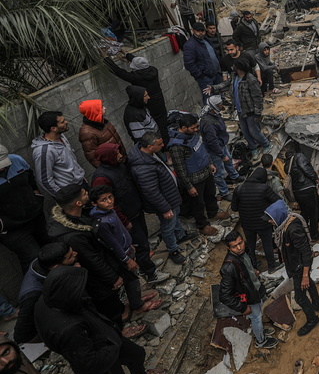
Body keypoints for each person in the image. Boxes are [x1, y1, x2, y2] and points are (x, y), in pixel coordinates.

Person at [35, 266, 166, 374]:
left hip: (105, 336)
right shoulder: (69, 329)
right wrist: (113, 347)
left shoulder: (53, 298)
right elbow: (88, 363)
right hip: (99, 358)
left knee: (136, 354)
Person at [48, 185, 137, 334]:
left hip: (102, 267)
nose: (87, 193)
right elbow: (93, 259)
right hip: (97, 279)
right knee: (108, 303)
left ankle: (122, 311)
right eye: (84, 193)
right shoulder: (74, 236)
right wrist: (112, 277)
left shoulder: (78, 217)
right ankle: (119, 331)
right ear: (78, 203)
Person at [91, 143, 167, 284]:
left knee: (144, 241)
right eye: (116, 153)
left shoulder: (118, 166)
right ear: (108, 157)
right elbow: (108, 205)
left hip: (135, 211)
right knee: (140, 245)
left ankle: (146, 266)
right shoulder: (101, 178)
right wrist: (124, 221)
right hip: (126, 218)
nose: (120, 155)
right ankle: (151, 275)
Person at [88, 186, 162, 315]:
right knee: (132, 280)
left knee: (133, 278)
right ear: (94, 204)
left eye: (110, 197)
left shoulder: (110, 211)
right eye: (103, 200)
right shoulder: (101, 222)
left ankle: (136, 299)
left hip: (127, 248)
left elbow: (121, 231)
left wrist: (130, 244)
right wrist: (127, 260)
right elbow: (113, 245)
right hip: (122, 256)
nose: (109, 201)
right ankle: (137, 305)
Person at [128, 132, 196, 265]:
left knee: (175, 219)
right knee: (168, 227)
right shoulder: (143, 167)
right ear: (149, 146)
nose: (163, 145)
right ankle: (173, 250)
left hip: (170, 197)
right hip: (166, 202)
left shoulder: (150, 154)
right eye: (159, 144)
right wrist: (165, 208)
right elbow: (151, 191)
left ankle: (180, 236)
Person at [265, 200, 319, 336]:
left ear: (278, 217)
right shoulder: (286, 224)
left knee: (300, 297)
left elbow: (305, 252)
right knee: (309, 283)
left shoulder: (293, 230)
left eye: (271, 219)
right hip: (298, 264)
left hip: (299, 267)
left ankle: (312, 319)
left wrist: (304, 275)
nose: (269, 222)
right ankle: (317, 305)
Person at [218, 231, 279, 349]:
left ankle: (259, 330)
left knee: (258, 315)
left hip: (255, 290)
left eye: (240, 243)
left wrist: (254, 270)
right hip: (249, 297)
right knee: (255, 317)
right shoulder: (229, 267)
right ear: (228, 248)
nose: (239, 247)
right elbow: (224, 295)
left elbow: (249, 264)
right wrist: (242, 307)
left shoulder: (244, 251)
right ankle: (260, 341)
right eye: (234, 246)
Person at [168, 113, 225, 236]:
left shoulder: (194, 135)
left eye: (196, 127)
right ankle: (202, 225)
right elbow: (180, 169)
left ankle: (213, 213)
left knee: (210, 194)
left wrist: (210, 163)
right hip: (194, 179)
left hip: (206, 172)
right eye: (193, 128)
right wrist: (189, 186)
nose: (196, 129)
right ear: (183, 128)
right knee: (198, 204)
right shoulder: (176, 146)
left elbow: (202, 150)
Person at [207, 57, 271, 161]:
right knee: (245, 132)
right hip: (241, 111)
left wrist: (257, 113)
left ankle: (266, 144)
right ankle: (253, 148)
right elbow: (225, 84)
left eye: (234, 66)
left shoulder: (250, 79)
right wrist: (213, 88)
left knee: (254, 131)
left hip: (251, 111)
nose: (232, 67)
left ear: (239, 67)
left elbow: (258, 97)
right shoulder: (234, 77)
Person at [14, 242, 79, 344]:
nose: (75, 254)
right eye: (70, 256)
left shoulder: (43, 264)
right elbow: (21, 335)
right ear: (56, 267)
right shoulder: (32, 295)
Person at [0, 144, 48, 271]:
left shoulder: (16, 160)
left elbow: (31, 179)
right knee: (33, 258)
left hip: (35, 216)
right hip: (12, 229)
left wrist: (37, 198)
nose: (2, 168)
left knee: (51, 248)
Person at [103, 53, 169, 143]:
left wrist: (106, 58)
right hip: (159, 103)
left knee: (153, 130)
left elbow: (118, 71)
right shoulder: (154, 70)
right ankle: (166, 147)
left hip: (149, 106)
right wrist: (127, 55)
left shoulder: (135, 77)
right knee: (163, 126)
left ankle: (159, 146)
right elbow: (141, 63)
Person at [231, 167, 281, 271]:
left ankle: (253, 267)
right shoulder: (264, 188)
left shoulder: (239, 189)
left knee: (250, 246)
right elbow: (278, 201)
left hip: (247, 224)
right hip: (263, 223)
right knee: (267, 244)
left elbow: (234, 208)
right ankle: (272, 266)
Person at [30, 111, 86, 200]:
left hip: (81, 184)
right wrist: (64, 197)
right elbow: (44, 180)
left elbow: (70, 161)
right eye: (62, 122)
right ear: (53, 128)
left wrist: (81, 177)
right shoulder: (44, 151)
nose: (66, 122)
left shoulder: (61, 137)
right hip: (69, 194)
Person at [200, 95, 242, 201]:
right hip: (215, 150)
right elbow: (212, 142)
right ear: (214, 107)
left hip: (221, 145)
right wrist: (221, 155)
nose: (221, 106)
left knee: (229, 161)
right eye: (219, 105)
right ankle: (224, 192)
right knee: (218, 172)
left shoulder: (215, 115)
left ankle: (234, 176)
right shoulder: (208, 123)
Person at [284, 147, 319, 240]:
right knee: (314, 212)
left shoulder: (286, 165)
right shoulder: (298, 156)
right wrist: (315, 178)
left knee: (304, 212)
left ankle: (304, 231)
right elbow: (306, 168)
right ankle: (314, 234)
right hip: (308, 189)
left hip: (298, 192)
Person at [77, 100, 126, 168]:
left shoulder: (103, 121)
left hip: (122, 159)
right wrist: (109, 170)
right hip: (113, 166)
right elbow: (92, 157)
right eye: (101, 107)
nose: (105, 108)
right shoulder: (87, 133)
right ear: (94, 110)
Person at [182, 22, 222, 99]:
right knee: (209, 101)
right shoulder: (190, 45)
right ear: (193, 31)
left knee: (218, 99)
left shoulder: (206, 40)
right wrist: (201, 75)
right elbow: (189, 64)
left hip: (216, 74)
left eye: (202, 31)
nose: (201, 33)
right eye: (198, 31)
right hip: (206, 78)